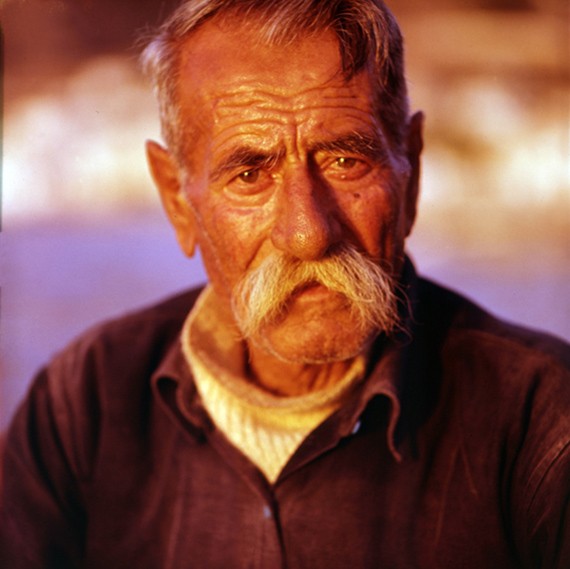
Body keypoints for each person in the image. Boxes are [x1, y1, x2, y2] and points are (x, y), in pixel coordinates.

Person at [1, 0, 568, 567]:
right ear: (176, 199)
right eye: (250, 174)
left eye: (345, 161)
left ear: (411, 172)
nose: (308, 234)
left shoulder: (540, 419)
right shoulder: (82, 408)